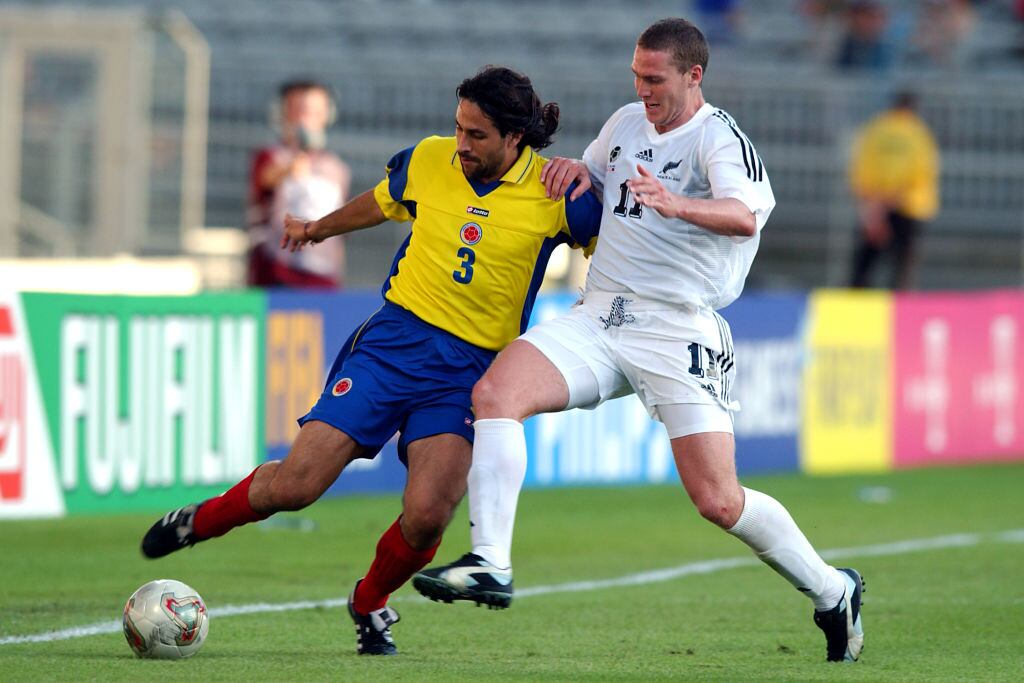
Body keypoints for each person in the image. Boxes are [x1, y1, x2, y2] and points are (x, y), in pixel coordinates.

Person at [415, 18, 866, 664]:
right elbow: (594, 180)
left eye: (655, 79)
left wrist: (676, 204)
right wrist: (575, 172)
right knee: (495, 394)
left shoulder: (719, 138)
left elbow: (743, 215)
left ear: (693, 75)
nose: (644, 89)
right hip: (602, 314)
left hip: (678, 326)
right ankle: (492, 562)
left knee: (718, 498)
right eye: (637, 75)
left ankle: (832, 589)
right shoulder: (626, 122)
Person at [140, 66, 601, 656]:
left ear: (516, 138)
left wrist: (592, 176)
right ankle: (199, 520)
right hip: (392, 345)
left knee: (430, 515)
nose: (461, 144)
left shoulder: (559, 196)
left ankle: (369, 602)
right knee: (298, 487)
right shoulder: (430, 160)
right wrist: (315, 229)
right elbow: (383, 203)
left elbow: (615, 251)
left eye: (478, 135)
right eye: (459, 128)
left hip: (468, 373)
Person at [247, 79, 351, 288]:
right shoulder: (270, 156)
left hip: (323, 277)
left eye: (314, 111)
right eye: (298, 110)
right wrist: (290, 168)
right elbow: (265, 178)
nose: (305, 119)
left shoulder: (336, 168)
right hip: (276, 274)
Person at [849, 90, 940, 290]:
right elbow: (920, 173)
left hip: (874, 207)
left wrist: (874, 209)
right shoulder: (918, 133)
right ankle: (902, 312)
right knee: (902, 268)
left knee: (864, 265)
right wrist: (890, 200)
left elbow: (861, 168)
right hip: (908, 208)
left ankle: (854, 310)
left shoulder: (875, 130)